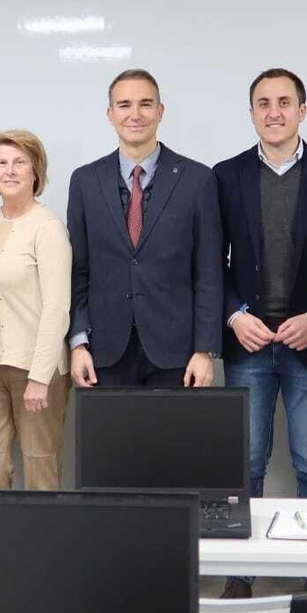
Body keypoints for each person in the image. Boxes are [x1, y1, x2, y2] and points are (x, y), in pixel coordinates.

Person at [214, 69, 307, 599]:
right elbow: (210, 261)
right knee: (245, 463)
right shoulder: (224, 177)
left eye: (285, 102)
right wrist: (233, 315)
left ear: (303, 109)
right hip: (247, 341)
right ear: (251, 112)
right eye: (263, 103)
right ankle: (240, 575)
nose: (274, 112)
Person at [67, 69, 222, 388]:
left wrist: (205, 350)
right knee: (110, 440)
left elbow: (209, 272)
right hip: (104, 351)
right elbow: (77, 270)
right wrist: (78, 342)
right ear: (110, 114)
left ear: (160, 112)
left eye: (145, 104)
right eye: (124, 105)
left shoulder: (197, 180)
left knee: (173, 440)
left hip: (176, 354)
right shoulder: (84, 181)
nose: (135, 114)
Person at [0, 130, 72, 490]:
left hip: (34, 370)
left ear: (35, 170)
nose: (10, 171)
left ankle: (45, 547)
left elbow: (57, 308)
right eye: (1, 164)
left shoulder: (48, 227)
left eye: (19, 162)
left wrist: (40, 376)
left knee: (41, 471)